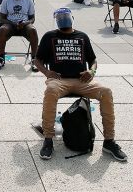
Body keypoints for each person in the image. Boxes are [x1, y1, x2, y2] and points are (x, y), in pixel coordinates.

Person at [34, 8, 126, 162]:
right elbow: (37, 60)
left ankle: (109, 141)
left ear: (72, 18)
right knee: (50, 91)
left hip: (82, 80)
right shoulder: (50, 36)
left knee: (106, 91)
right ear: (56, 19)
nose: (63, 19)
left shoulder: (82, 36)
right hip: (59, 81)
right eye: (60, 17)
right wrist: (47, 72)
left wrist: (92, 71)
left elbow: (93, 60)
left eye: (66, 16)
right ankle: (48, 139)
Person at [0, 0, 38, 71]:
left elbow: (32, 18)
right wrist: (14, 23)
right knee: (2, 29)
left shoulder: (28, 0)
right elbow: (2, 19)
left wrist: (25, 23)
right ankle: (1, 58)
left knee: (33, 30)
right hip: (11, 24)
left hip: (24, 24)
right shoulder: (6, 0)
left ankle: (34, 59)